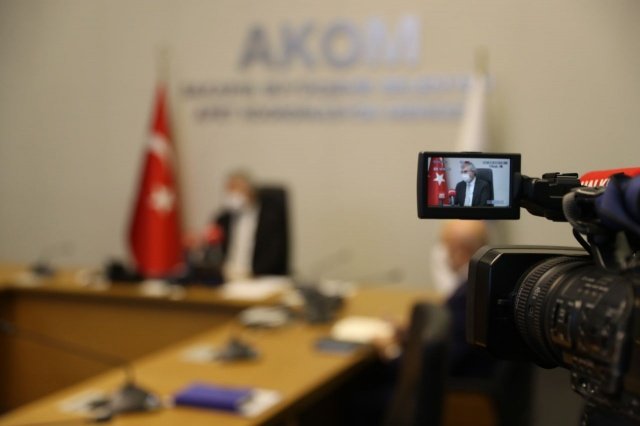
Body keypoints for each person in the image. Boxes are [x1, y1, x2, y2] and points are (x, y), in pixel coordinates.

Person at [213, 171, 289, 281]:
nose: (233, 194)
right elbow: (214, 251)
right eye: (230, 190)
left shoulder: (270, 218)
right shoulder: (223, 219)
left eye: (237, 189)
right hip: (228, 279)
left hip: (259, 278)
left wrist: (252, 274)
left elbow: (275, 254)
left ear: (250, 190)